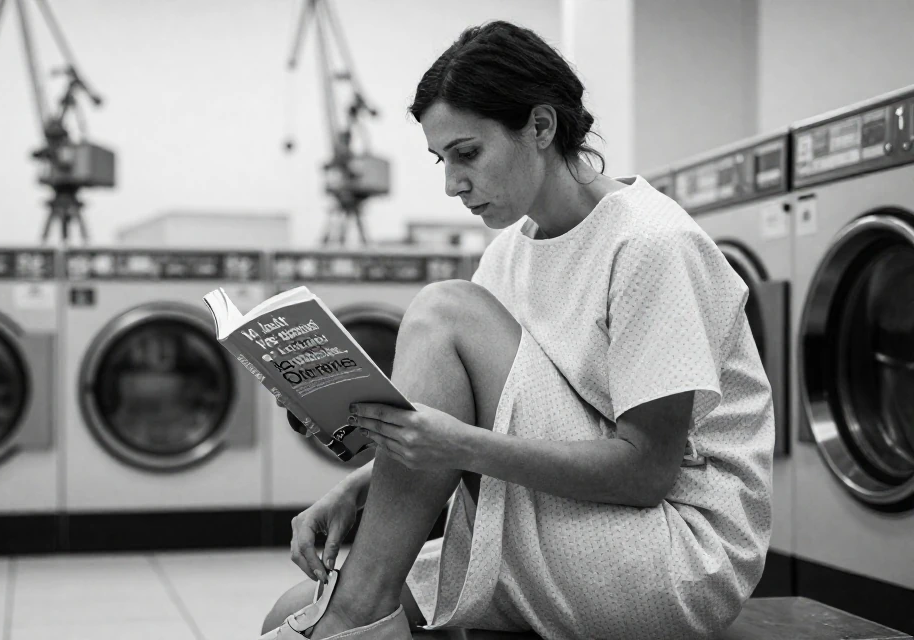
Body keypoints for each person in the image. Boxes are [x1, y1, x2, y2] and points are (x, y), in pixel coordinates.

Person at [260, 20, 773, 640]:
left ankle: (357, 610)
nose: (452, 184)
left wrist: (460, 448)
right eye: (441, 159)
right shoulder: (509, 253)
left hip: (669, 552)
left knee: (443, 309)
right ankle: (358, 610)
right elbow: (485, 424)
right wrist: (359, 487)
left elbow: (645, 475)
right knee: (284, 609)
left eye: (467, 153)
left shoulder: (650, 243)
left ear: (540, 126)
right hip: (554, 520)